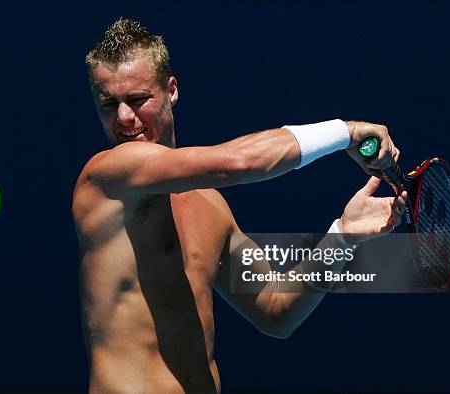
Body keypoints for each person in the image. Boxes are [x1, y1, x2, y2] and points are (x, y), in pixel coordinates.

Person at [73, 18, 408, 394]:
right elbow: (240, 163)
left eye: (137, 100)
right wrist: (344, 133)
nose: (123, 118)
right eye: (107, 104)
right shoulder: (106, 176)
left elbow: (275, 310)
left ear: (172, 90)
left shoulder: (210, 206)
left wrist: (342, 238)